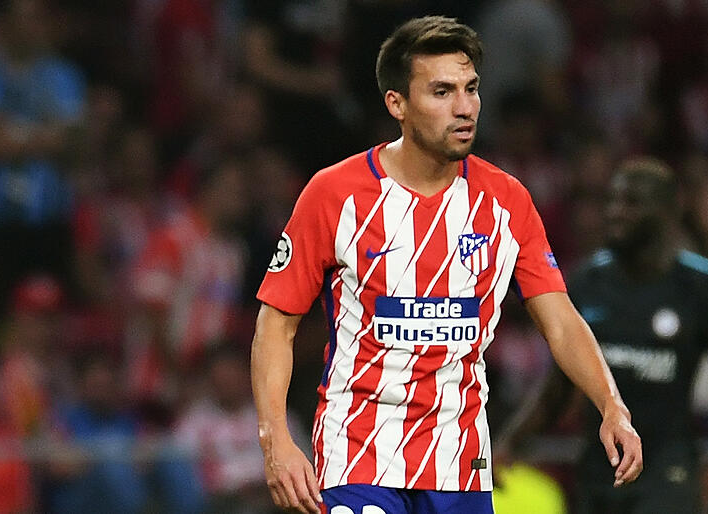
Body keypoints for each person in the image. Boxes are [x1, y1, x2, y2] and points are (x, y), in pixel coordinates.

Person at [251, 16, 642, 514]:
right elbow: (276, 323)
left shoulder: (506, 201)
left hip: (460, 465)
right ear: (397, 104)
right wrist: (276, 439)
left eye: (470, 89)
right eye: (442, 92)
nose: (464, 107)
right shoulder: (335, 194)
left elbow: (561, 320)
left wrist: (611, 405)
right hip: (359, 456)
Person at [494, 158, 708, 514]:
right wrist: (508, 444)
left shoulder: (705, 290)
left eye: (631, 202)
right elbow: (558, 389)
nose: (615, 212)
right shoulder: (586, 282)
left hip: (668, 476)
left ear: (668, 211)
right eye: (612, 201)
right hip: (597, 475)